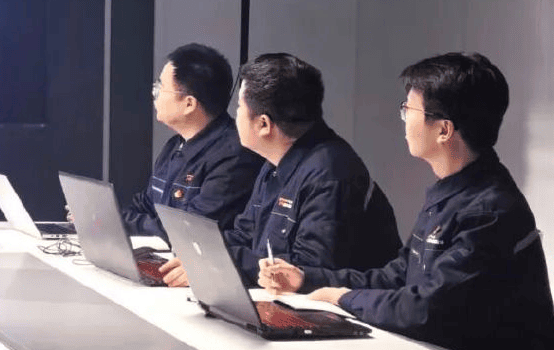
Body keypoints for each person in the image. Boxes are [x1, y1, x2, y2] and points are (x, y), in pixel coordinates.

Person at [258, 53, 554, 350]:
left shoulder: (489, 211)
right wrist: (306, 279)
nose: (403, 120)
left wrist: (343, 297)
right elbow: (398, 276)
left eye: (408, 110)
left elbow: (425, 310)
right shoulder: (454, 190)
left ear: (444, 130)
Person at [160, 53, 401, 287]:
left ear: (263, 124)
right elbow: (244, 235)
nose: (236, 116)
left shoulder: (331, 173)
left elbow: (305, 271)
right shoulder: (276, 160)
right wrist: (201, 257)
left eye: (240, 107)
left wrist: (218, 265)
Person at [122, 43, 263, 239]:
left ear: (189, 104)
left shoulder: (234, 157)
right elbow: (144, 205)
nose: (154, 95)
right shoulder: (175, 145)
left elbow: (189, 229)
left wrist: (125, 223)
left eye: (160, 88)